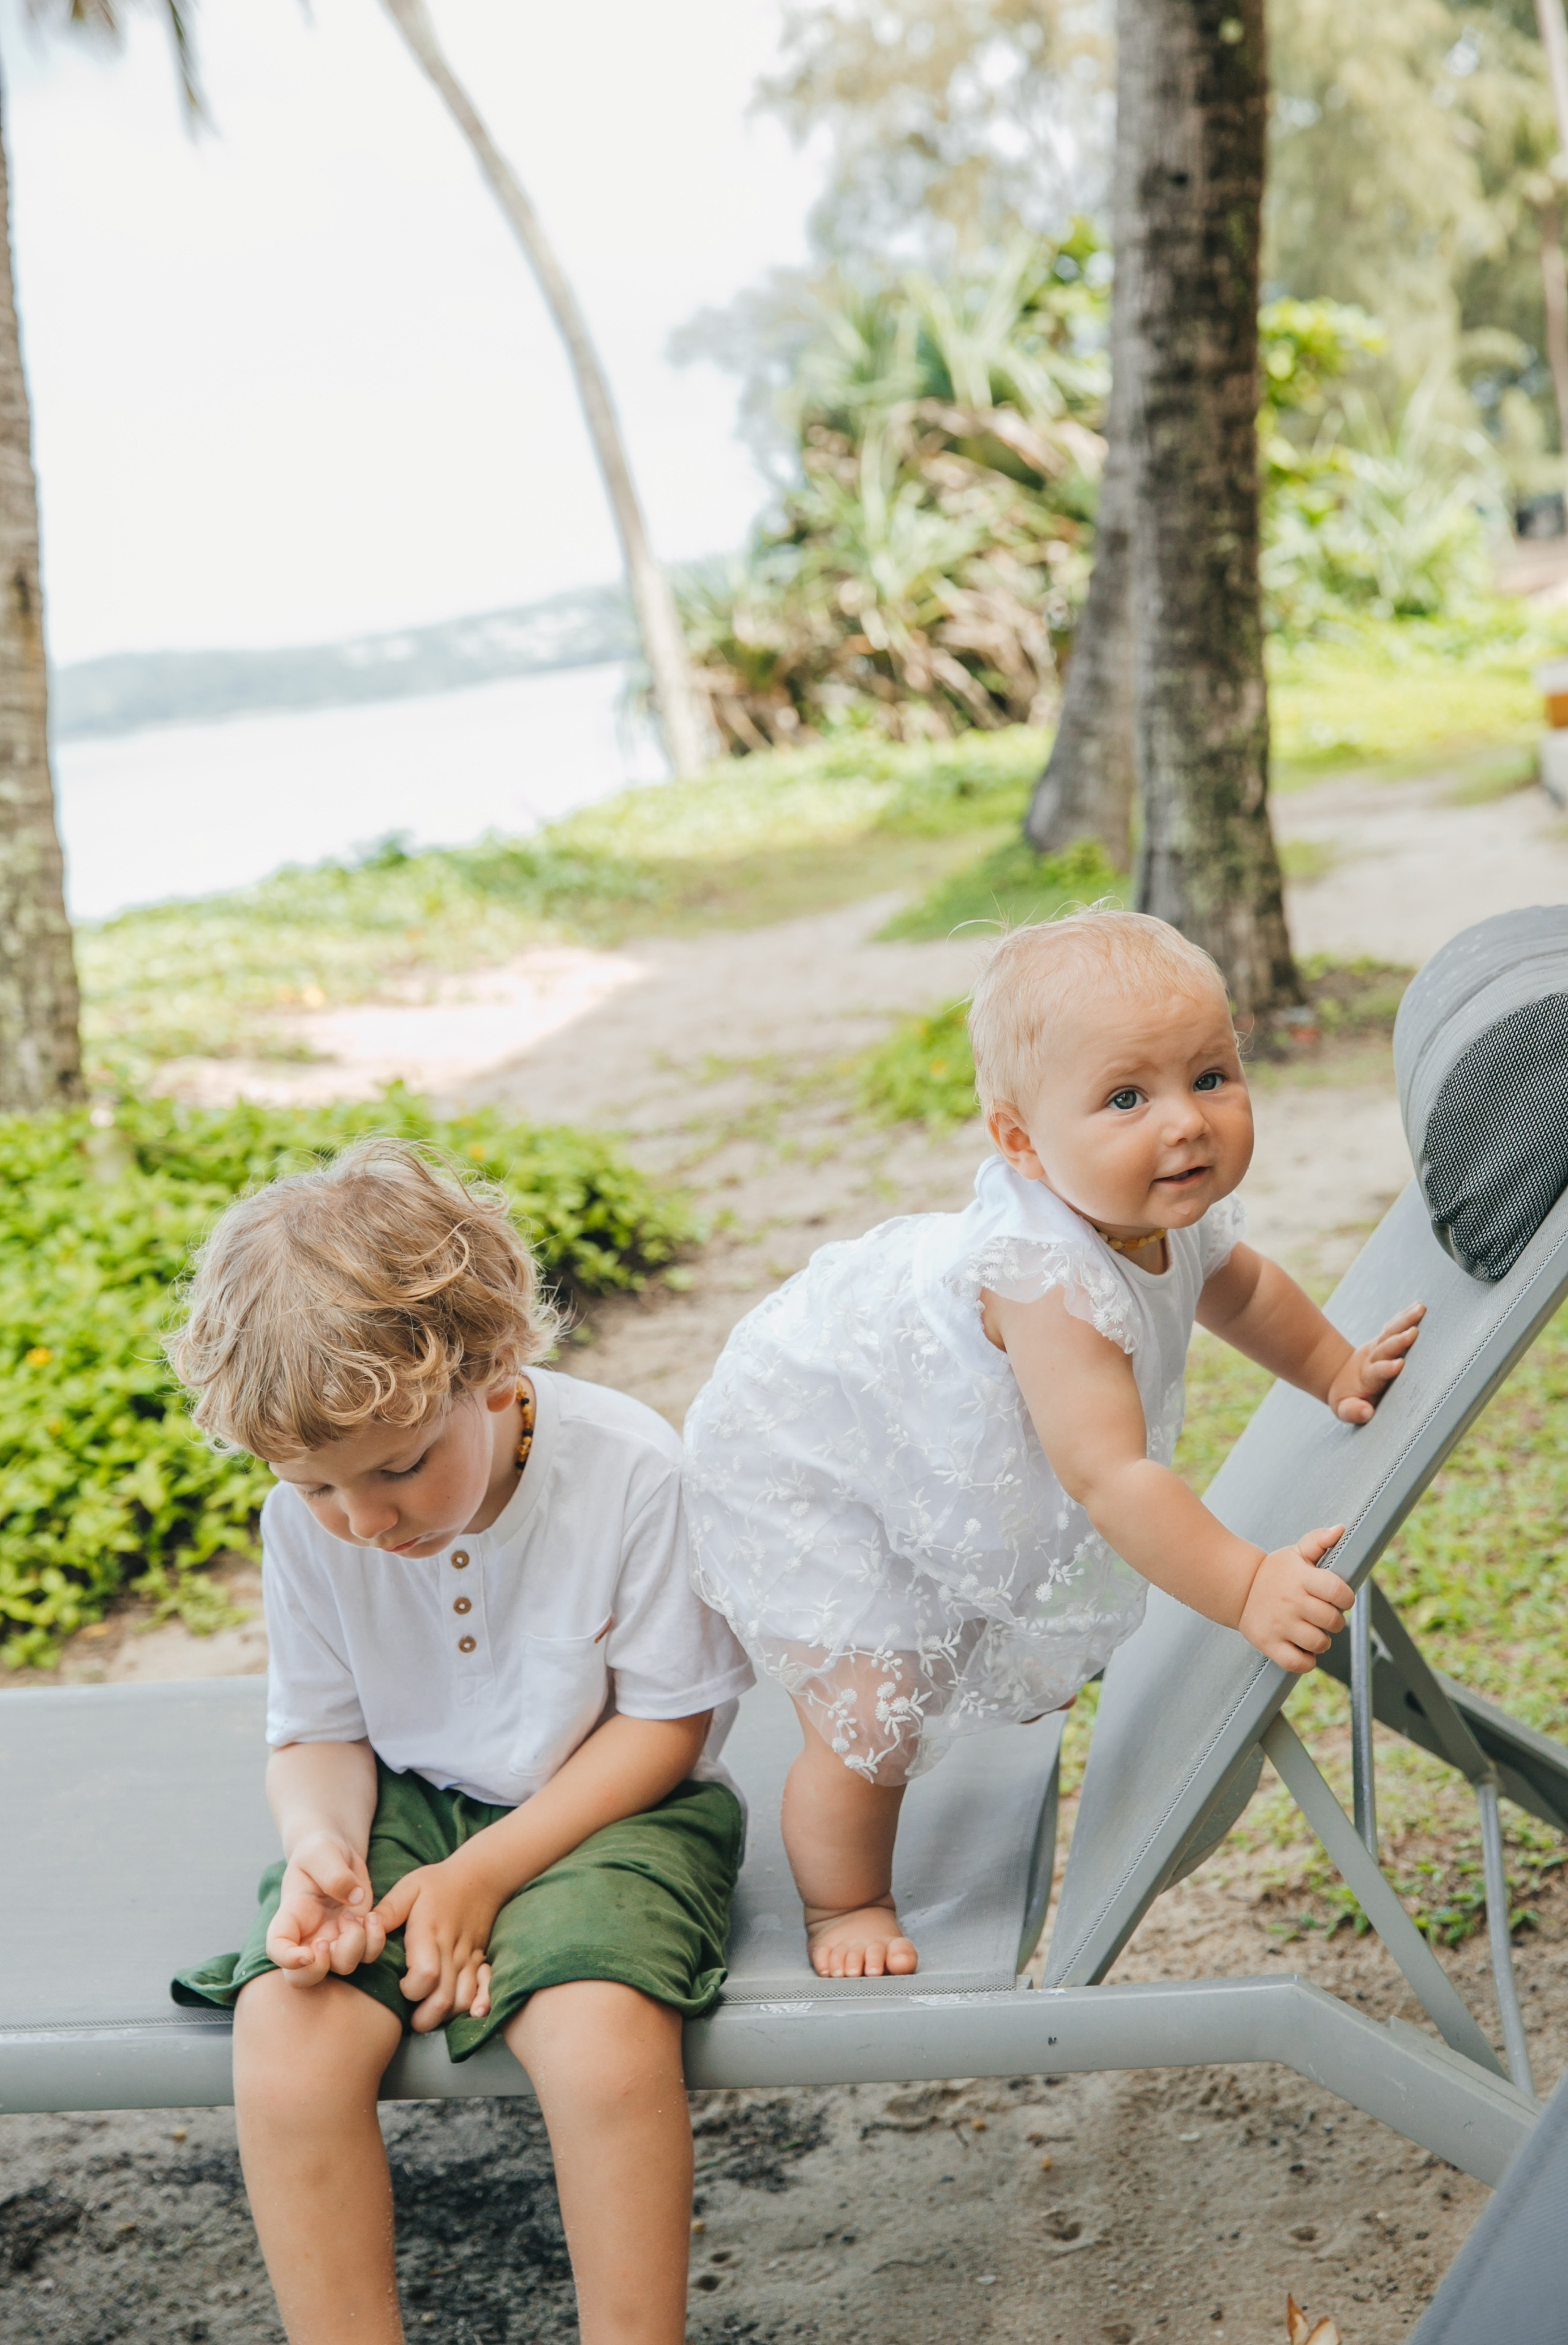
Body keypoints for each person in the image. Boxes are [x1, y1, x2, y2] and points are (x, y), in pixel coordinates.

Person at [685, 908, 1423, 1983]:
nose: (1186, 1124)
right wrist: (1247, 1581)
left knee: (943, 1610)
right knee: (872, 1709)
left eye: (1211, 1076)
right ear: (1021, 1143)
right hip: (809, 1454)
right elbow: (1110, 1476)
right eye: (1127, 1098)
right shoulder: (1047, 1278)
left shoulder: (1165, 1205)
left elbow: (1242, 1287)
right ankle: (844, 1901)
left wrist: (1334, 1368)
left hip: (902, 1433)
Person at [167, 1141, 753, 2345]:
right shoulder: (311, 1519)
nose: (363, 1522)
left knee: (595, 2036)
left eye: (397, 1469)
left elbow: (666, 1723)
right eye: (319, 1488)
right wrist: (323, 1842)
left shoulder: (629, 1470)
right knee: (289, 2028)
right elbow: (318, 1734)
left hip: (615, 1802)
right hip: (407, 1802)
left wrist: (487, 1875)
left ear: (494, 1369)